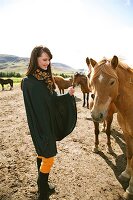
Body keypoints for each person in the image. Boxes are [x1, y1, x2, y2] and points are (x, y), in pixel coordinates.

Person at [21, 45, 77, 200]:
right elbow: (31, 110)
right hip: (39, 126)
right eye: (44, 59)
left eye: (49, 60)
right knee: (49, 156)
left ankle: (44, 186)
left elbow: (52, 101)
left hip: (49, 124)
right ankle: (42, 191)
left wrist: (67, 96)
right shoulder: (28, 82)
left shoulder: (47, 79)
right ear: (35, 59)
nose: (47, 63)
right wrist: (40, 128)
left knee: (42, 154)